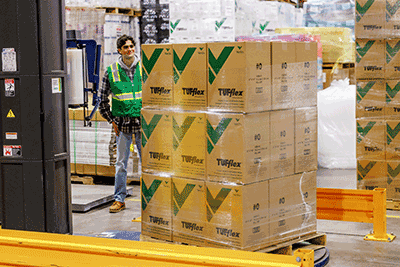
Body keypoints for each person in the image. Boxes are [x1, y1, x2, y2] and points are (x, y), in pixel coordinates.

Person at [99, 34, 142, 213]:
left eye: (131, 46)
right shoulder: (111, 71)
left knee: (149, 164)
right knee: (121, 164)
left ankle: (152, 199)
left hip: (143, 124)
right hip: (123, 125)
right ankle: (119, 199)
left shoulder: (145, 68)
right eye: (125, 47)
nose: (129, 50)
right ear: (119, 50)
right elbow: (102, 101)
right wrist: (111, 120)